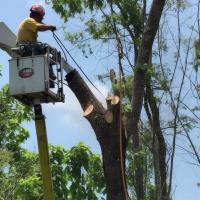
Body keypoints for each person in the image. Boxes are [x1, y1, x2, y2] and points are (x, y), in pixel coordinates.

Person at [16, 4, 57, 87]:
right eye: (41, 18)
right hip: (24, 46)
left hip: (28, 46)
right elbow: (39, 26)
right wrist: (49, 27)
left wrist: (47, 26)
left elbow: (40, 24)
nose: (41, 20)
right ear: (36, 16)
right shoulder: (29, 21)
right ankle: (50, 74)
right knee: (46, 48)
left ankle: (50, 75)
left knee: (45, 52)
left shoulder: (32, 22)